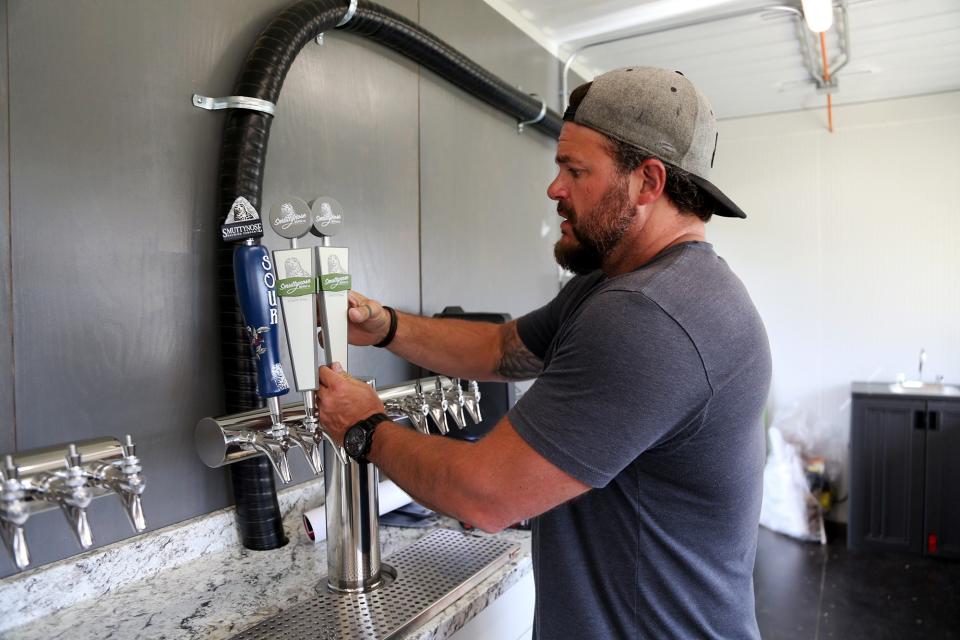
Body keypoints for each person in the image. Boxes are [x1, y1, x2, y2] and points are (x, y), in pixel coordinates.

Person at [315, 66, 772, 639]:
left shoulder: (649, 315)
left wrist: (363, 427)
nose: (555, 189)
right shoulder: (621, 282)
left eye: (575, 170)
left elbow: (485, 497)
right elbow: (503, 347)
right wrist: (387, 327)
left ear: (648, 183)